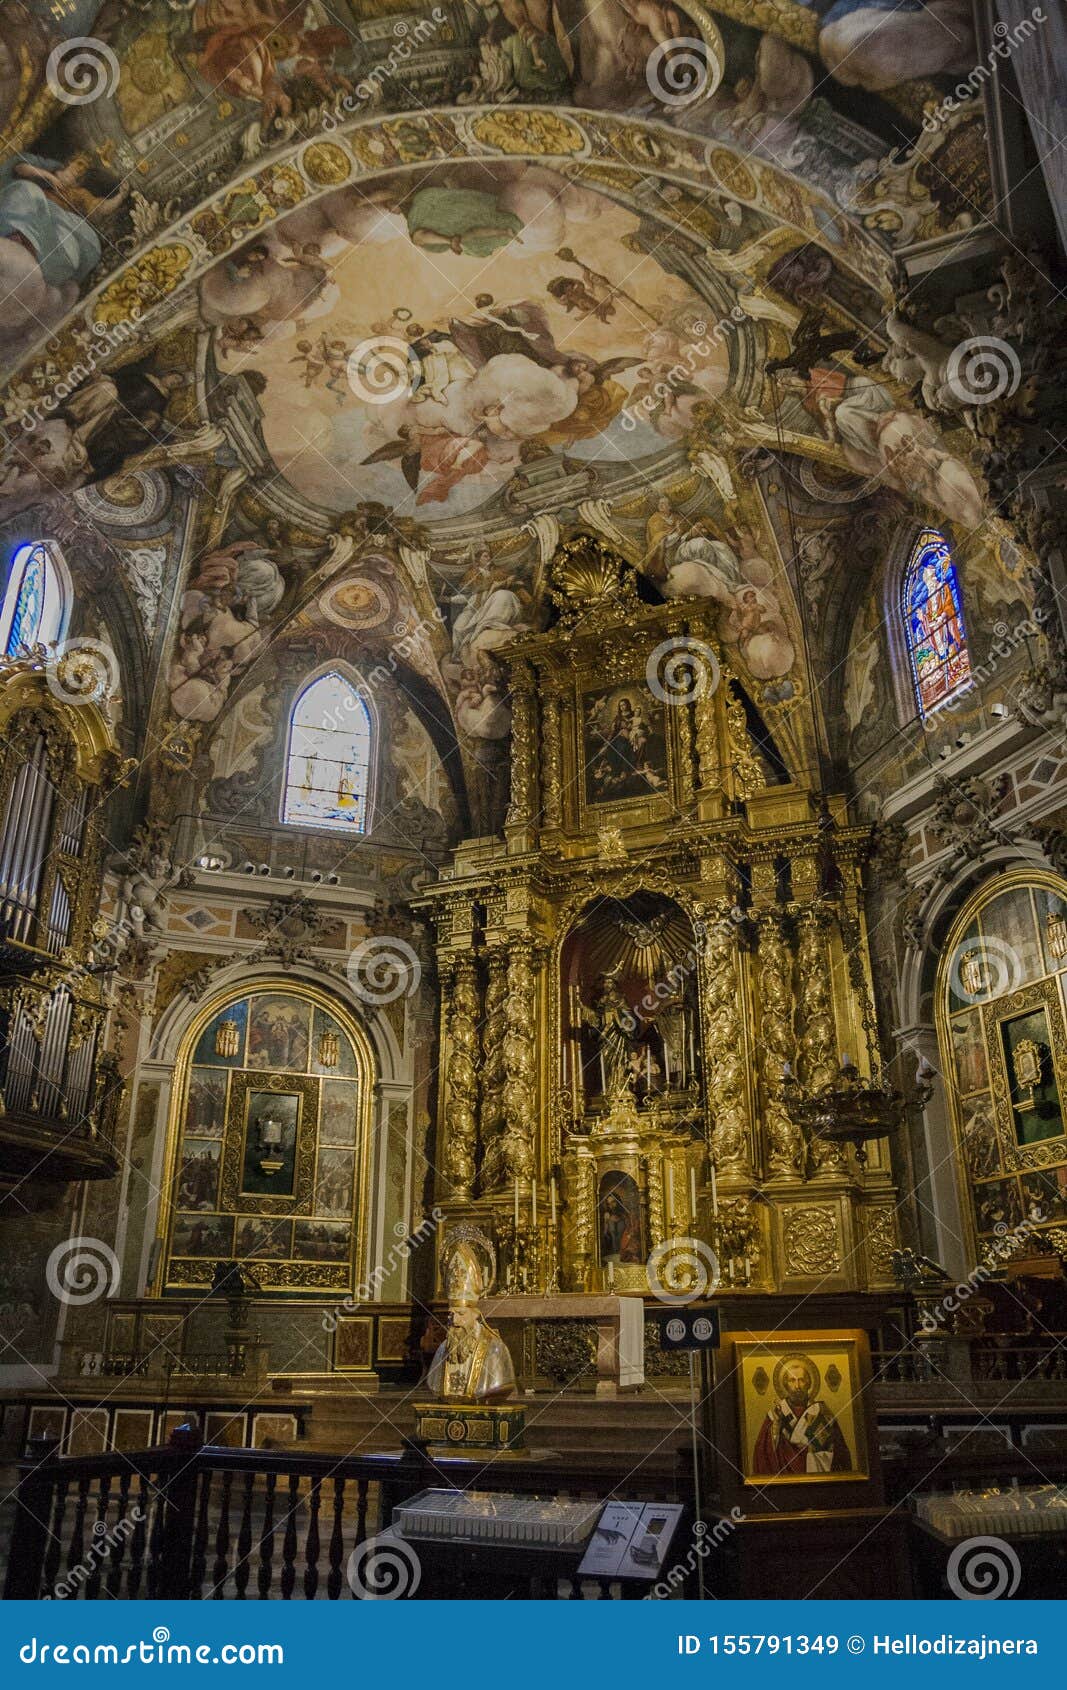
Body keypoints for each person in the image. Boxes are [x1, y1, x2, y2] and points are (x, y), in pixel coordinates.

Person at [426, 1242, 515, 1401]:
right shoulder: (442, 1350)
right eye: (450, 1314)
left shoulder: (495, 1349)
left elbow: (500, 1385)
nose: (454, 1320)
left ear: (475, 1315)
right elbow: (433, 1384)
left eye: (460, 1314)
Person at [752, 1356, 852, 1475]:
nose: (797, 1386)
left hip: (817, 1483)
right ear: (785, 1384)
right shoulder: (776, 1414)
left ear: (809, 1384)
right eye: (792, 1380)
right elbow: (762, 1454)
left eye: (801, 1380)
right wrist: (776, 1425)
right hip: (785, 1482)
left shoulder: (822, 1413)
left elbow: (840, 1454)